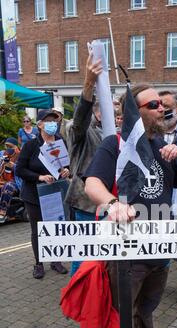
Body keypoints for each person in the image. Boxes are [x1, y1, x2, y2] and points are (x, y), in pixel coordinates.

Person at [84, 84, 177, 328]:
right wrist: (111, 204)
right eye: (154, 104)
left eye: (164, 104)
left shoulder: (164, 146)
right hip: (126, 251)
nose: (163, 108)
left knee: (146, 308)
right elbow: (92, 182)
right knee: (117, 312)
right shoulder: (116, 144)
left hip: (159, 251)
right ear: (137, 111)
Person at [15, 109, 69, 279]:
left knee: (55, 228)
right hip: (34, 194)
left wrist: (67, 170)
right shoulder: (31, 145)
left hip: (55, 193)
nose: (53, 123)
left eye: (55, 120)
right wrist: (39, 176)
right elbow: (20, 169)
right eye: (48, 120)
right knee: (38, 230)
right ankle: (39, 263)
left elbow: (68, 163)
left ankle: (56, 260)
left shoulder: (61, 141)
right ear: (39, 125)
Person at [64, 53, 103, 276]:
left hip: (109, 202)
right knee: (83, 256)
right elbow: (80, 119)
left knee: (102, 256)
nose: (117, 116)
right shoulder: (79, 131)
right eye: (112, 110)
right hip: (86, 203)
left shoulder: (112, 134)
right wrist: (88, 84)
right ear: (96, 112)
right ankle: (76, 303)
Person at [0, 140, 20, 222]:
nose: (8, 148)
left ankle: (2, 212)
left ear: (15, 147)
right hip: (3, 180)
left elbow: (22, 170)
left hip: (16, 181)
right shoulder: (3, 155)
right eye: (6, 146)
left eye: (10, 146)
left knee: (8, 186)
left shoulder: (21, 155)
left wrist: (13, 166)